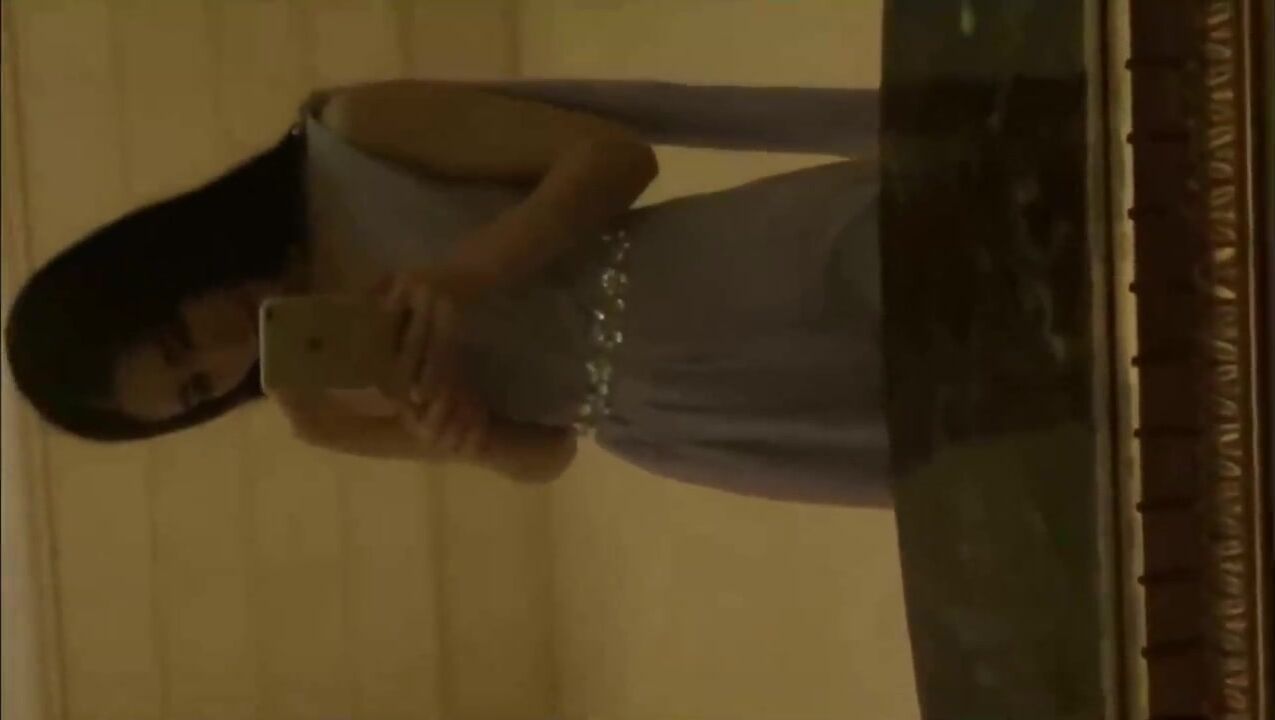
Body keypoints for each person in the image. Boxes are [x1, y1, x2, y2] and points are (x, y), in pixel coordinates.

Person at [5, 78, 888, 506]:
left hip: (746, 269)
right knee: (963, 457)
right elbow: (547, 457)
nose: (222, 352)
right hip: (709, 427)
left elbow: (615, 158)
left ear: (152, 271)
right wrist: (472, 435)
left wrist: (467, 275)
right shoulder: (320, 410)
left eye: (177, 339)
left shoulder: (350, 144)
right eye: (197, 386)